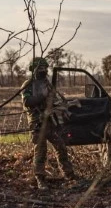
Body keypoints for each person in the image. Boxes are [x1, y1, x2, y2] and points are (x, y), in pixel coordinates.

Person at [21, 56, 75, 189]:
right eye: (40, 68)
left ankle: (69, 176)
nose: (43, 70)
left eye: (45, 68)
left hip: (51, 122)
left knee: (61, 147)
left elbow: (56, 98)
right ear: (33, 69)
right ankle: (40, 180)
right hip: (37, 124)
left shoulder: (47, 83)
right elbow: (27, 102)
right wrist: (42, 96)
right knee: (40, 152)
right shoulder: (28, 85)